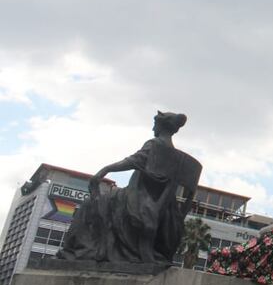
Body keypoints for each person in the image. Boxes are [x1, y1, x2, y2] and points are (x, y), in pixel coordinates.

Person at [58, 111, 201, 263]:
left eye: (155, 125)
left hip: (138, 200)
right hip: (164, 209)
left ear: (160, 126)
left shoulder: (155, 145)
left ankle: (85, 249)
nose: (153, 129)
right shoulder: (177, 157)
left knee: (90, 204)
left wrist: (105, 170)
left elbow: (132, 161)